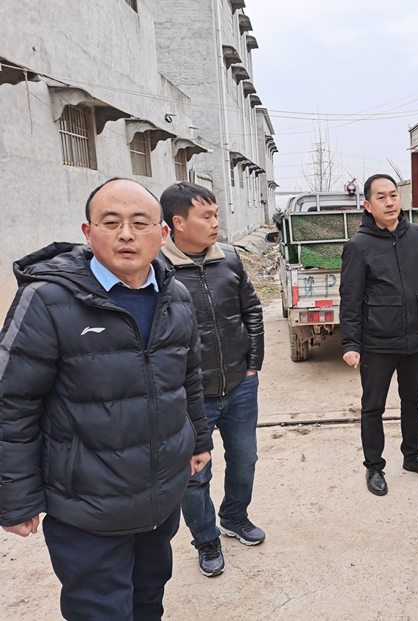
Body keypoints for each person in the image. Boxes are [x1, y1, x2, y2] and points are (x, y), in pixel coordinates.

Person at [0, 178, 212, 620]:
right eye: (111, 222)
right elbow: (12, 401)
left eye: (140, 223)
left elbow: (187, 375)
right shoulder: (48, 300)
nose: (126, 234)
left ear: (162, 233)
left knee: (148, 600)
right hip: (87, 506)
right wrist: (14, 496)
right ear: (88, 231)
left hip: (158, 498)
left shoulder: (175, 295)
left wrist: (199, 440)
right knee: (99, 611)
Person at [158, 182, 265, 577]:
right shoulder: (158, 270)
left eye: (216, 214)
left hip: (239, 384)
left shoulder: (230, 259)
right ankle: (206, 539)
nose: (216, 223)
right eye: (207, 216)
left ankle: (234, 516)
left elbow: (252, 310)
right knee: (194, 474)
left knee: (245, 458)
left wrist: (253, 365)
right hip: (191, 396)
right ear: (178, 222)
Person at [340, 173, 418, 496]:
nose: (390, 202)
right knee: (373, 407)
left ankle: (413, 457)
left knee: (414, 402)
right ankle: (374, 466)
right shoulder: (358, 246)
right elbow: (350, 300)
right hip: (377, 342)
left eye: (393, 195)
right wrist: (350, 343)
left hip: (415, 337)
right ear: (368, 205)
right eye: (381, 197)